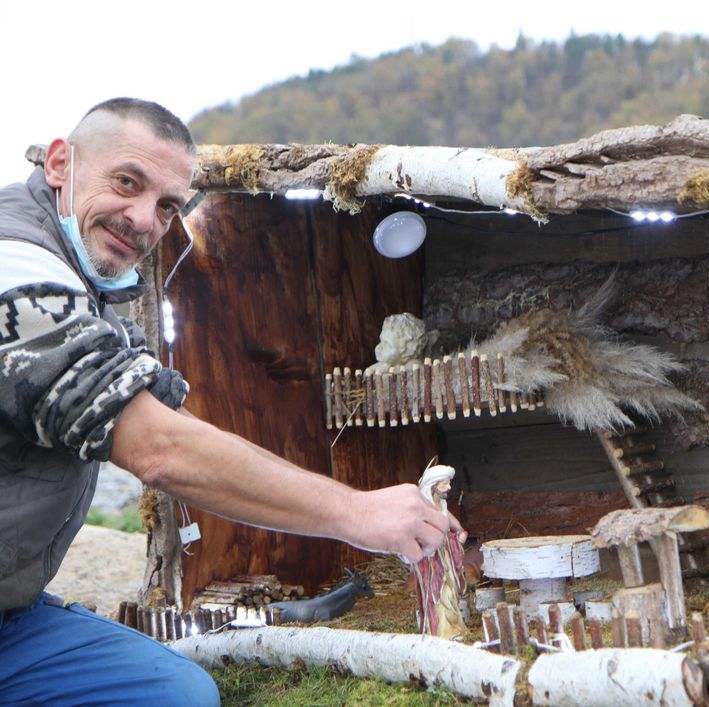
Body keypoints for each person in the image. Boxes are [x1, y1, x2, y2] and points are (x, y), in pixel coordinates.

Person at [0, 98, 461, 705]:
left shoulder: (90, 288)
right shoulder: (18, 271)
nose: (142, 220)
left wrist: (362, 505)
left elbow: (169, 419)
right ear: (61, 163)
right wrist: (355, 513)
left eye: (168, 206)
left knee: (176, 694)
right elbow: (158, 448)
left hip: (13, 619)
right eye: (127, 182)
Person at [412, 464, 469, 640]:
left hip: (444, 558)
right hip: (430, 559)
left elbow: (457, 527)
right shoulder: (423, 510)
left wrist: (459, 537)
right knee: (435, 593)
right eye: (444, 484)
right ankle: (440, 631)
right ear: (433, 486)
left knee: (449, 592)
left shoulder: (442, 507)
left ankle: (453, 628)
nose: (449, 487)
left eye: (448, 483)